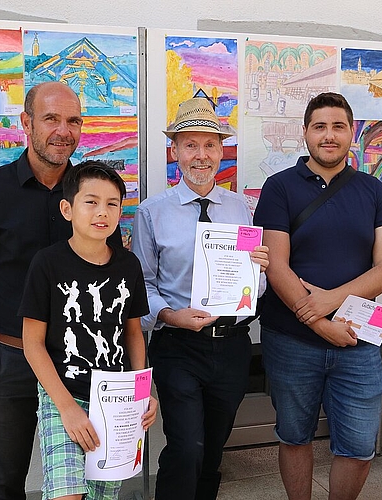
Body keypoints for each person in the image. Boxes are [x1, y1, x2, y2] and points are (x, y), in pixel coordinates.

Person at [0, 81, 122, 500]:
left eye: (73, 121)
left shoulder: (92, 194)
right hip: (10, 362)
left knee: (84, 484)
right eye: (51, 119)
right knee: (4, 484)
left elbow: (110, 277)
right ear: (26, 123)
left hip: (82, 363)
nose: (63, 130)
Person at [253, 92, 382, 500]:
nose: (329, 135)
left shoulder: (374, 191)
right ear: (305, 133)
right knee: (294, 436)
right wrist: (319, 322)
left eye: (338, 126)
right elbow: (276, 265)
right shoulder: (279, 187)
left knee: (357, 446)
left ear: (351, 133)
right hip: (291, 339)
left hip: (358, 340)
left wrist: (331, 302)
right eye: (320, 126)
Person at [132, 97, 269, 500]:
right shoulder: (151, 212)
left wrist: (257, 271)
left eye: (210, 145)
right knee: (186, 447)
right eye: (190, 145)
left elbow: (254, 287)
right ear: (175, 151)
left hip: (232, 347)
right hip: (178, 347)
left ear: (222, 151)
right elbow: (143, 286)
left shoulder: (242, 208)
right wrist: (172, 317)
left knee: (212, 448)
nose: (201, 155)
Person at [19, 160, 157, 500]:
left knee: (101, 495)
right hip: (63, 394)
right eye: (91, 202)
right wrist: (66, 407)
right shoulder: (47, 263)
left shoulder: (128, 265)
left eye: (112, 204)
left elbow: (133, 333)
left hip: (116, 400)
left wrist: (143, 393)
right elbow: (32, 342)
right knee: (67, 493)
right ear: (68, 208)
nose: (102, 212)